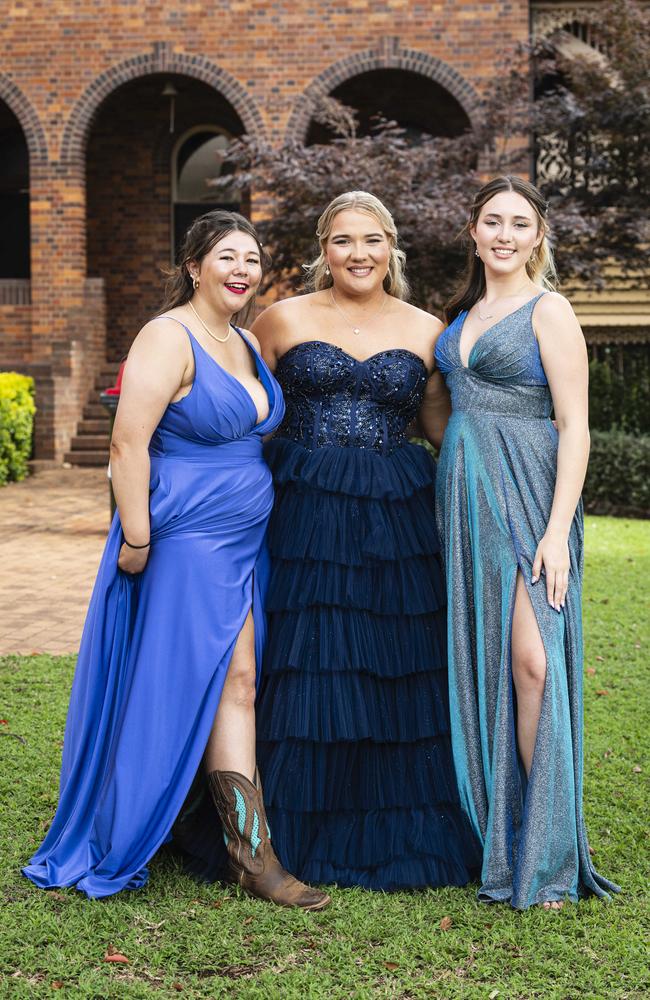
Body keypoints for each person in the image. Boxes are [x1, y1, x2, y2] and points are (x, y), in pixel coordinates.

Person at [22, 209, 330, 910]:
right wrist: (136, 538)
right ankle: (213, 844)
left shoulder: (246, 342)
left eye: (251, 258)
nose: (241, 270)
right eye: (226, 256)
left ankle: (247, 849)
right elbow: (129, 444)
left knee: (241, 681)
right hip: (184, 541)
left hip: (246, 542)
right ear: (194, 266)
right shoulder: (168, 335)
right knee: (182, 685)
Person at [251, 191, 481, 890]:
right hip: (303, 515)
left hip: (393, 517)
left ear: (392, 248)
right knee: (308, 659)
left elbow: (442, 429)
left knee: (390, 661)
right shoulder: (279, 318)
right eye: (344, 240)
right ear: (324, 248)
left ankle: (391, 822)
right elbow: (248, 415)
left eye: (373, 240)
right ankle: (292, 829)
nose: (359, 254)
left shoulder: (425, 328)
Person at [435, 175, 620, 910]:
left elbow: (575, 426)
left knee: (533, 662)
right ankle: (500, 834)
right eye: (492, 221)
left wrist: (555, 532)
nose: (505, 234)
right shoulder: (462, 312)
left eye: (519, 223)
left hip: (533, 494)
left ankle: (546, 854)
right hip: (464, 495)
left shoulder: (552, 310)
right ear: (473, 233)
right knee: (485, 665)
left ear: (537, 236)